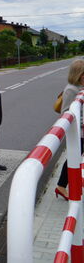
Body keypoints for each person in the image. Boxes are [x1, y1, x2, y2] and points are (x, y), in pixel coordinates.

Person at [54, 59, 84, 200]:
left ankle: (64, 185)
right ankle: (61, 186)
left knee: (76, 159)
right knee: (74, 158)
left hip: (81, 132)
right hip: (78, 133)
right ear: (79, 74)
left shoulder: (80, 88)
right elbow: (67, 113)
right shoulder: (71, 90)